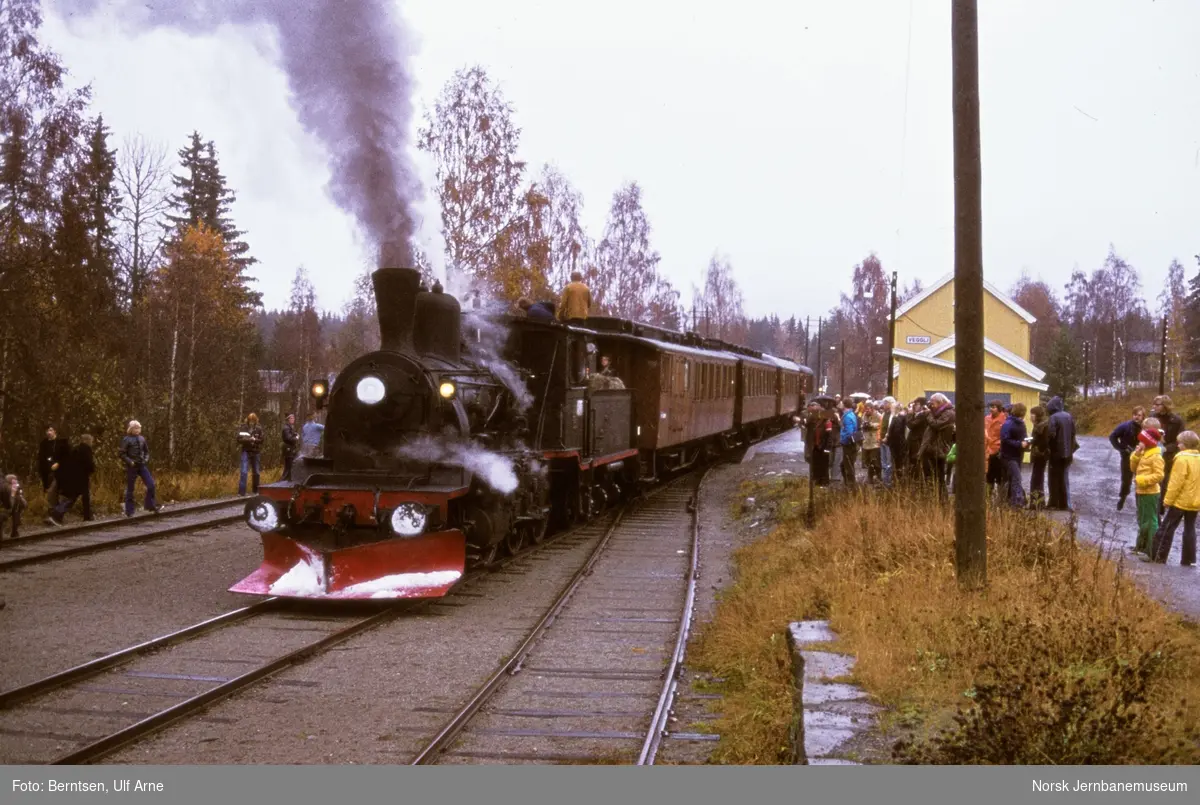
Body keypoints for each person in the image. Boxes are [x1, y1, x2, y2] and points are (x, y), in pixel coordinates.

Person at [1152, 429, 1200, 566]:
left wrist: (1167, 501)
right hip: (1195, 501)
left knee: (1167, 528)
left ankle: (1158, 556)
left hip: (1180, 501)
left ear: (1185, 444)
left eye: (1179, 443)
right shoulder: (1198, 458)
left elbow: (1176, 483)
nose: (1178, 445)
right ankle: (1189, 559)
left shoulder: (1181, 459)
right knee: (1190, 529)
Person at [1129, 419, 1164, 557]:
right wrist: (1136, 454)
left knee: (1151, 521)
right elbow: (1132, 468)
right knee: (1142, 519)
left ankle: (1152, 550)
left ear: (1148, 442)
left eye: (1142, 441)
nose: (1139, 443)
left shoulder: (1156, 456)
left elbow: (1159, 475)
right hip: (1141, 490)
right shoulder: (1144, 452)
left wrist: (1141, 480)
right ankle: (1141, 546)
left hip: (1150, 492)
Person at [45, 434, 95, 526]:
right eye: (91, 441)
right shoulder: (86, 450)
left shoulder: (75, 449)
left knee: (75, 497)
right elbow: (89, 465)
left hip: (73, 477)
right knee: (74, 498)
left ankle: (87, 516)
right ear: (88, 441)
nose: (92, 443)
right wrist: (92, 470)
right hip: (82, 478)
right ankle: (56, 514)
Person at [1152, 396, 1185, 515]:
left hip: (1168, 455)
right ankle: (1155, 508)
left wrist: (1166, 448)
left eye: (1157, 404)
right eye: (1154, 404)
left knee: (1164, 481)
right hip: (1152, 453)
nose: (1154, 406)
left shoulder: (1177, 421)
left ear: (1165, 405)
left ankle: (1161, 507)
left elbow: (1180, 440)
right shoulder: (1152, 418)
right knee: (1153, 480)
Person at [120, 420, 160, 517]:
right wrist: (130, 461)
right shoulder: (126, 439)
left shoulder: (142, 439)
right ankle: (129, 511)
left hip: (142, 465)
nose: (137, 430)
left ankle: (150, 505)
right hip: (132, 466)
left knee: (151, 485)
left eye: (139, 428)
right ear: (131, 429)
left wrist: (145, 459)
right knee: (130, 489)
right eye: (135, 428)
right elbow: (121, 454)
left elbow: (147, 452)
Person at [919, 393, 956, 499]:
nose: (931, 406)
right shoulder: (940, 412)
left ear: (940, 403)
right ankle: (937, 498)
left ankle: (942, 500)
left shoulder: (948, 413)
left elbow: (936, 425)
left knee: (939, 477)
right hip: (934, 448)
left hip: (940, 449)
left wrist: (929, 414)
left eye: (933, 403)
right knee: (934, 476)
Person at [1109, 406, 1145, 511]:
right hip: (1127, 458)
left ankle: (1140, 502)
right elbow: (1112, 436)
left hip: (1141, 458)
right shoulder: (1125, 426)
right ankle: (1122, 498)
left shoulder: (1145, 428)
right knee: (1126, 480)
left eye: (1139, 415)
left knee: (1141, 480)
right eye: (1135, 415)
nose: (1136, 417)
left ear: (1143, 417)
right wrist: (1121, 449)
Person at [1046, 396, 1077, 511]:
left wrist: (1048, 447)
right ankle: (1065, 504)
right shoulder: (1069, 416)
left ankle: (1054, 503)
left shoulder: (1053, 417)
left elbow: (1051, 434)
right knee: (1064, 478)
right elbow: (1073, 432)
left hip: (1056, 453)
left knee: (1054, 478)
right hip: (1068, 453)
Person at [999, 402, 1028, 508]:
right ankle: (1017, 502)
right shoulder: (1008, 424)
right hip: (1009, 456)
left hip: (1017, 455)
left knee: (1013, 479)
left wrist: (1026, 441)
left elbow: (1023, 436)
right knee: (1016, 478)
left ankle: (1010, 501)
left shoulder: (1020, 423)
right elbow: (1005, 439)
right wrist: (1019, 444)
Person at [37, 426, 69, 508]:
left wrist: (58, 464)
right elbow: (41, 458)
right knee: (49, 492)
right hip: (47, 472)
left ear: (55, 431)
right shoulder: (43, 444)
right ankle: (54, 510)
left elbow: (67, 457)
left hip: (60, 472)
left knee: (58, 491)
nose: (48, 432)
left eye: (50, 430)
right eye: (47, 430)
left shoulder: (62, 443)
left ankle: (59, 511)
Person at [984, 400, 1008, 501]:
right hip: (987, 450)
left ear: (999, 408)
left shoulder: (1004, 419)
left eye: (993, 407)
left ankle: (1001, 499)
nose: (991, 409)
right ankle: (987, 498)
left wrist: (999, 446)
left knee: (999, 476)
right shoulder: (986, 418)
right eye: (990, 407)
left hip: (998, 451)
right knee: (988, 475)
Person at [1028, 405, 1050, 509]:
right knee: (1037, 478)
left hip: (1040, 456)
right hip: (1040, 456)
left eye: (1032, 414)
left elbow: (1044, 442)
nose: (1030, 416)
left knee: (1037, 479)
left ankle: (1036, 503)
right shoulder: (1039, 425)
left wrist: (1037, 449)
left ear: (1037, 415)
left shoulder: (1042, 426)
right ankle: (1038, 502)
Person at [238, 413, 265, 496]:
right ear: (248, 420)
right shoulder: (243, 428)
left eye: (253, 421)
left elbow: (262, 440)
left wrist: (255, 440)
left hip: (256, 451)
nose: (251, 422)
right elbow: (238, 439)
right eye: (250, 420)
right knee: (244, 471)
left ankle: (256, 491)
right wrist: (248, 440)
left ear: (256, 420)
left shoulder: (259, 429)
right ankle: (241, 492)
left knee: (256, 472)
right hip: (246, 451)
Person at [885, 398, 908, 484]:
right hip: (900, 444)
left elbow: (896, 432)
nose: (891, 409)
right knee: (899, 463)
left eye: (892, 408)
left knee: (896, 463)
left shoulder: (897, 418)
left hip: (896, 445)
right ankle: (897, 480)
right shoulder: (903, 418)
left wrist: (888, 438)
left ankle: (896, 481)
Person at [838, 399, 859, 487]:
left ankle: (850, 485)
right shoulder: (850, 414)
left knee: (848, 465)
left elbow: (849, 432)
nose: (839, 404)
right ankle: (848, 483)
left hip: (848, 444)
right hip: (851, 444)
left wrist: (843, 441)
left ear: (845, 405)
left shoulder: (847, 416)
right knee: (845, 464)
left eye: (841, 403)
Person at [861, 402, 883, 484]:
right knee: (867, 461)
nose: (867, 410)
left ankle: (877, 476)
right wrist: (864, 425)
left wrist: (871, 425)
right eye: (865, 409)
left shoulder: (878, 415)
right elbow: (862, 424)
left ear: (872, 409)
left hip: (874, 442)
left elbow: (880, 425)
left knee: (874, 461)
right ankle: (871, 476)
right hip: (866, 441)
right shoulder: (864, 415)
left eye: (868, 409)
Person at [0, 474, 27, 538]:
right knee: (16, 516)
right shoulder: (13, 487)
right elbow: (13, 498)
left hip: (7, 506)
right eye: (15, 479)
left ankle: (14, 532)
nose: (16, 481)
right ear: (12, 480)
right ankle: (14, 532)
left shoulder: (4, 485)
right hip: (13, 507)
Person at [281, 413, 300, 482]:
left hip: (291, 448)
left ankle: (288, 481)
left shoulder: (290, 427)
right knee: (288, 466)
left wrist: (295, 434)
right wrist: (296, 438)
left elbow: (291, 435)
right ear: (288, 419)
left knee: (290, 466)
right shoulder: (286, 428)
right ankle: (283, 482)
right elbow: (288, 438)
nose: (293, 419)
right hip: (288, 449)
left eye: (293, 418)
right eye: (291, 418)